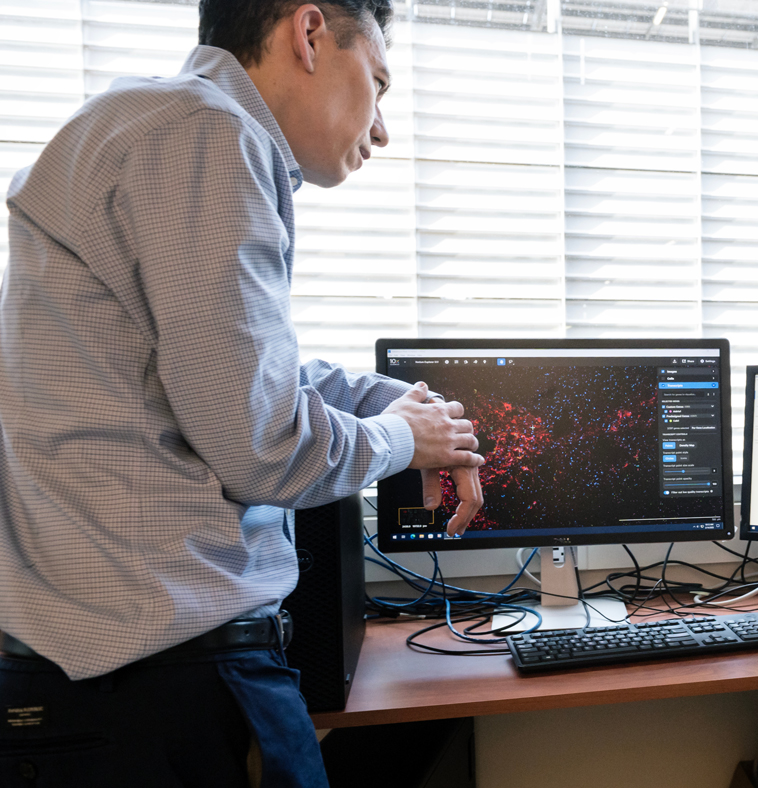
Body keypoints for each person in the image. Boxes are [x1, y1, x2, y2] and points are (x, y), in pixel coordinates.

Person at [0, 2, 483, 785]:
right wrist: (403, 442)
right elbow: (263, 447)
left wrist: (402, 406)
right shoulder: (205, 135)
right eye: (380, 83)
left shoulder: (151, 126)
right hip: (162, 687)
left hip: (111, 683)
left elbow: (242, 372)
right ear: (311, 33)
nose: (385, 128)